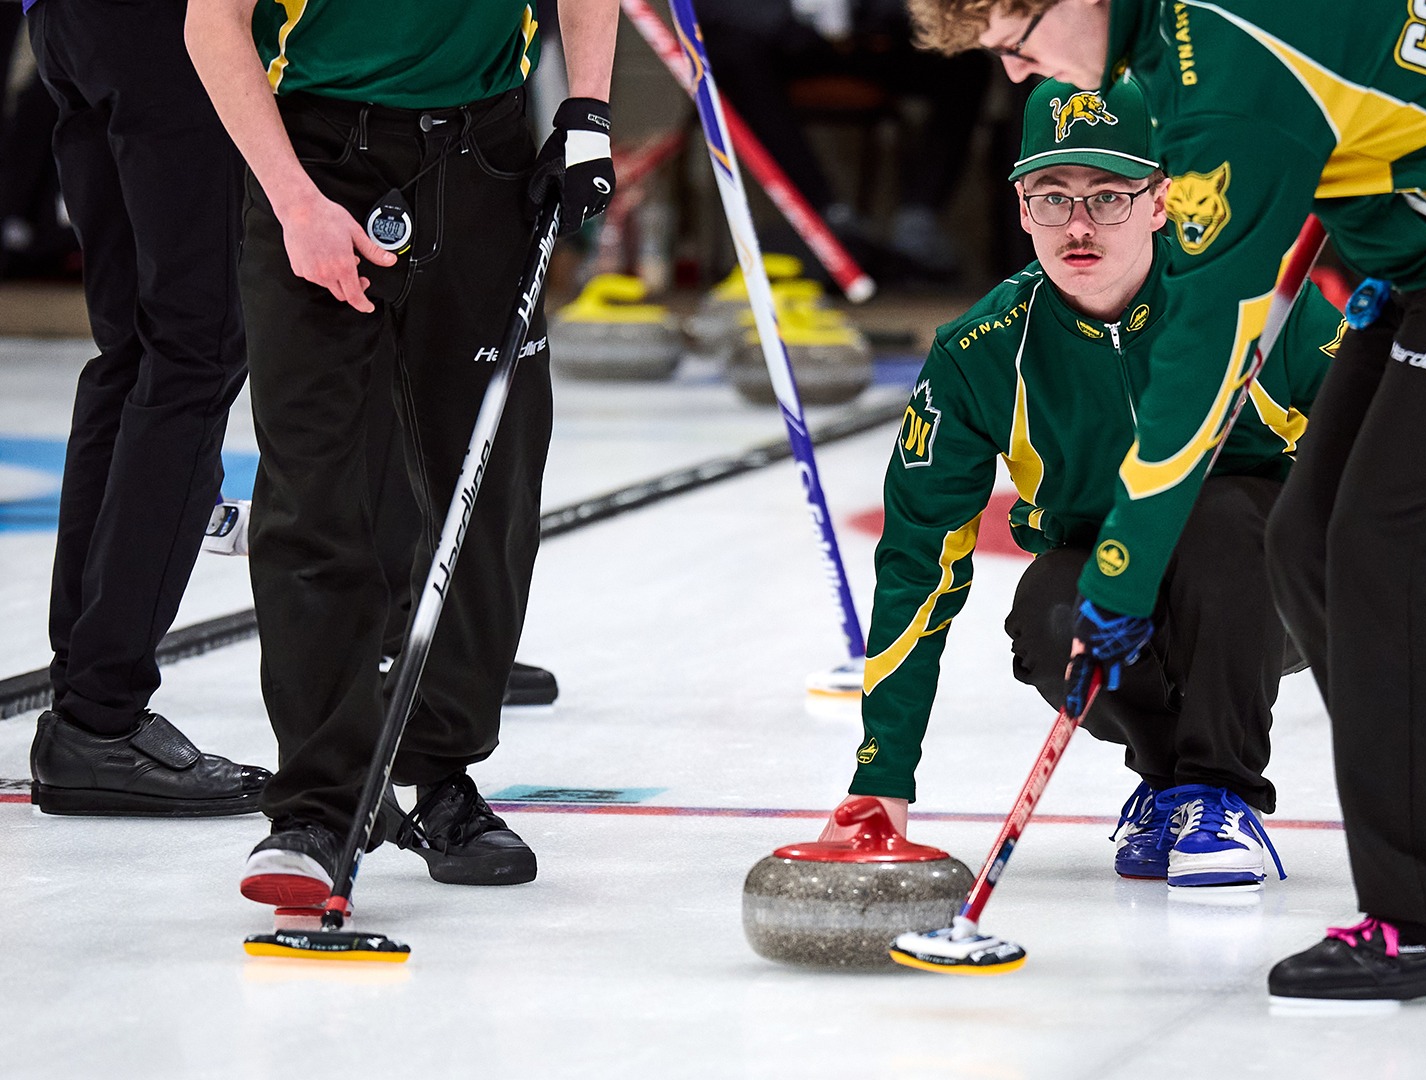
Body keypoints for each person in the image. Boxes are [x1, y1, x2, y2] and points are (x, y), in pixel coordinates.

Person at [907, 0, 1426, 1005]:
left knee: (1384, 559)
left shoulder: (1219, 82)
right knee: (1309, 541)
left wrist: (1124, 573)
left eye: (1016, 43)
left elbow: (1199, 365)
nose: (1016, 74)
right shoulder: (1181, 55)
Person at [823, 77, 1426, 906]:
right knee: (1047, 607)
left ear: (1160, 201)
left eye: (1110, 197)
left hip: (1271, 589)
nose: (1079, 225)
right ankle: (1173, 785)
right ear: (1019, 207)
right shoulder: (980, 354)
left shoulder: (1250, 309)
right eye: (1053, 197)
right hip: (1114, 602)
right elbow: (917, 563)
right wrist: (881, 775)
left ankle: (1222, 793)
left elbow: (1420, 437)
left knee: (1223, 517)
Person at [183, 0, 618, 904]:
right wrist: (293, 201)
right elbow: (210, 24)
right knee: (316, 489)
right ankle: (313, 808)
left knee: (490, 486)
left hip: (485, 153)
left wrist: (590, 112)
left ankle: (441, 772)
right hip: (317, 157)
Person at [22, 0, 271, 816]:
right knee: (193, 350)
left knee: (132, 348)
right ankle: (99, 712)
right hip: (163, 27)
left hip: (66, 24)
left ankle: (84, 694)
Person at [694, 0, 991, 281]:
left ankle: (918, 220)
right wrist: (790, 19)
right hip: (781, 40)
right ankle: (824, 216)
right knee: (733, 56)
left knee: (967, 63)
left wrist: (883, 15)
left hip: (871, 36)